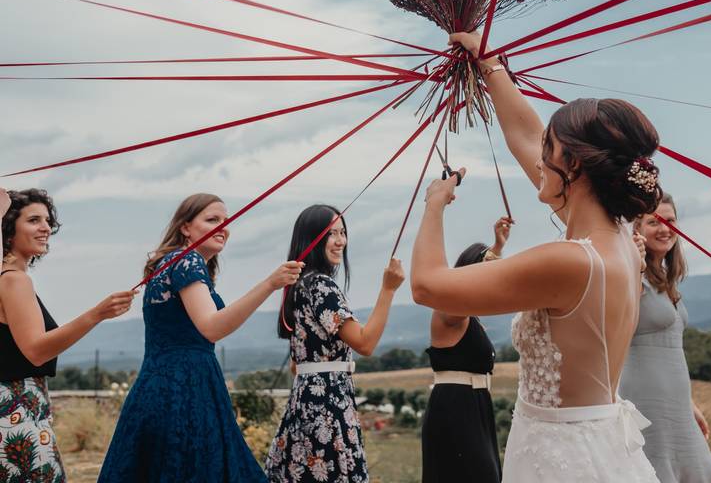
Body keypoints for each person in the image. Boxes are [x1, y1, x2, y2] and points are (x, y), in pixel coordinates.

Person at [410, 30, 661, 482]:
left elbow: (427, 285)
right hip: (596, 443)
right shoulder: (621, 234)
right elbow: (526, 135)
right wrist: (487, 63)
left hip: (560, 456)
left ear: (575, 165)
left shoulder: (569, 262)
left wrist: (433, 204)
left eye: (549, 151)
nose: (538, 159)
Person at [98, 193, 302, 483]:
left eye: (226, 220)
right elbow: (212, 327)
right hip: (185, 387)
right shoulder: (186, 261)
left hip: (160, 385)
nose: (223, 226)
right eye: (212, 219)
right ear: (185, 227)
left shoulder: (175, 263)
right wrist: (269, 284)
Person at [1, 188, 134, 483]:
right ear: (8, 230)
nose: (46, 227)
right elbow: (35, 350)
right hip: (17, 410)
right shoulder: (14, 280)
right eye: (33, 220)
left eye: (47, 220)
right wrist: (97, 314)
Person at [265, 204, 405, 483]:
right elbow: (365, 343)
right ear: (312, 239)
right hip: (328, 406)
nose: (341, 240)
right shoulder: (322, 286)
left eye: (343, 232)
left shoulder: (299, 285)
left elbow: (297, 366)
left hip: (303, 402)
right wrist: (388, 289)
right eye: (331, 234)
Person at [619, 195, 711, 483]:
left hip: (675, 401)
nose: (665, 228)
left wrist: (688, 404)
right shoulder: (632, 274)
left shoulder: (666, 277)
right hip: (643, 396)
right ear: (636, 229)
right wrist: (633, 265)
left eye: (670, 220)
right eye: (655, 221)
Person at [421, 216, 512, 483]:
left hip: (477, 405)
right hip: (455, 405)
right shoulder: (449, 309)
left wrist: (497, 246)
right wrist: (493, 256)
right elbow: (475, 291)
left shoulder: (472, 318)